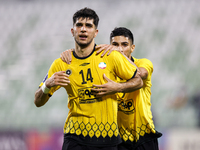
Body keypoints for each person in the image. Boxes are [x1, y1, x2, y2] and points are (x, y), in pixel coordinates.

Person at [34, 8, 143, 150]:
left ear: (96, 32)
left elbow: (139, 81)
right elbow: (38, 101)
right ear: (72, 31)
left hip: (107, 138)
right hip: (75, 137)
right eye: (79, 25)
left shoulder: (110, 56)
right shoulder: (61, 63)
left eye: (89, 26)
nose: (83, 30)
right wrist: (47, 85)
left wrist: (117, 87)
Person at [61, 27, 162, 150]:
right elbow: (85, 58)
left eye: (124, 45)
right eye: (115, 44)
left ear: (132, 48)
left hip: (143, 136)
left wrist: (117, 87)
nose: (119, 49)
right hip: (118, 139)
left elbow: (140, 74)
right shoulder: (106, 69)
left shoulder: (143, 63)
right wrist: (74, 52)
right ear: (109, 46)